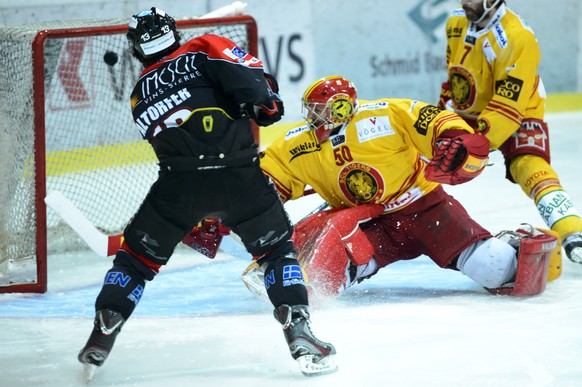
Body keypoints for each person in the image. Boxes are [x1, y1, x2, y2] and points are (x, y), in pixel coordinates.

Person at [77, 7, 336, 378]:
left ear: (137, 49)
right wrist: (266, 100)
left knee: (134, 261)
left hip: (177, 188)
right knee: (276, 251)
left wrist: (203, 213)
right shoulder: (203, 46)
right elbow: (262, 100)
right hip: (239, 176)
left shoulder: (138, 95)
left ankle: (106, 324)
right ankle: (299, 329)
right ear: (174, 34)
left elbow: (183, 136)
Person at [240, 75, 558, 302]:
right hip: (366, 224)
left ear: (341, 108)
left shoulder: (384, 116)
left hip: (424, 209)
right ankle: (354, 268)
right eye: (310, 109)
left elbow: (432, 120)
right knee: (322, 283)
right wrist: (236, 196)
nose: (314, 117)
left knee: (496, 268)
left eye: (320, 109)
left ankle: (514, 244)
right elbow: (269, 176)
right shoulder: (299, 143)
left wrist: (455, 137)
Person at [438, 0, 582, 264]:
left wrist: (478, 143)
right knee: (421, 152)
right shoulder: (455, 21)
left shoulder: (517, 37)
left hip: (521, 109)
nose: (464, 2)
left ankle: (571, 229)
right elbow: (453, 77)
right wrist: (441, 118)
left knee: (527, 164)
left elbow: (508, 104)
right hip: (469, 112)